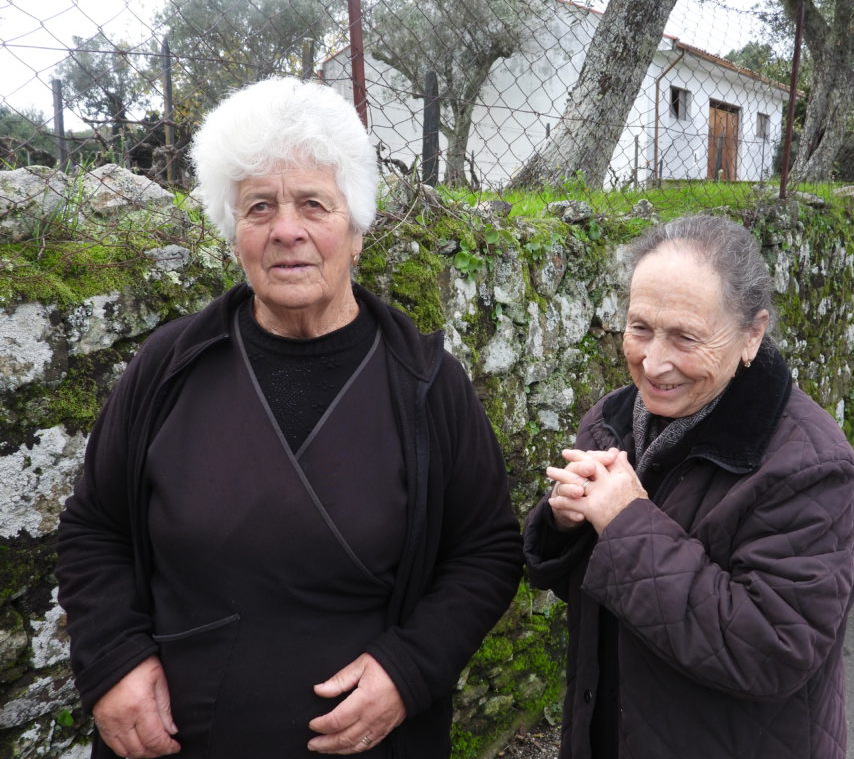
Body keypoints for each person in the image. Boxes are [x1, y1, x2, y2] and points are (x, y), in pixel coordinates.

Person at [56, 76, 523, 759]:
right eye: (259, 208)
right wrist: (113, 662)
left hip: (371, 742)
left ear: (356, 230)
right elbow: (94, 527)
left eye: (314, 204)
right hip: (179, 740)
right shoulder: (169, 366)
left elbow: (487, 550)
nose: (286, 230)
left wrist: (411, 668)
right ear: (234, 232)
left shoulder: (426, 384)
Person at [524, 215, 854, 759]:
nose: (654, 363)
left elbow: (773, 649)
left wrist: (626, 522)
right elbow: (596, 593)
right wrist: (564, 523)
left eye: (685, 337)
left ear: (752, 334)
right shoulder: (613, 420)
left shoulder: (808, 465)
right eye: (640, 328)